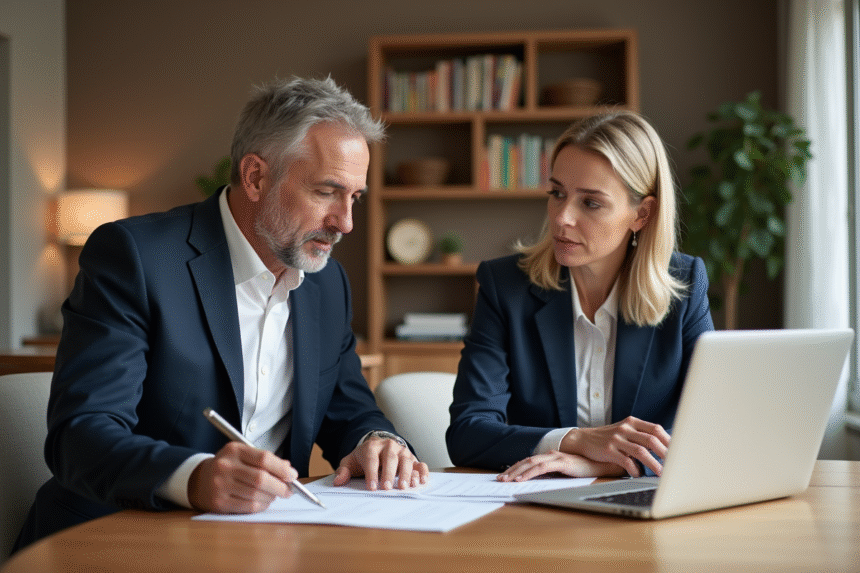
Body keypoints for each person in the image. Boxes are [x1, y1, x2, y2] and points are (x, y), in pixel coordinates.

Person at [14, 76, 428, 553]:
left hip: (258, 546)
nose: (345, 223)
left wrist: (375, 441)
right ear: (255, 177)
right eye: (326, 192)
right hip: (114, 540)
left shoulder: (326, 283)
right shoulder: (136, 258)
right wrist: (194, 479)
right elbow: (81, 436)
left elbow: (348, 410)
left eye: (353, 196)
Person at [446, 111, 714, 482]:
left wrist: (599, 466)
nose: (562, 218)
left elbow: (711, 432)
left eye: (590, 203)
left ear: (642, 213)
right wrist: (573, 441)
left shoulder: (684, 285)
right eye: (556, 194)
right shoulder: (505, 286)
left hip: (646, 512)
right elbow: (467, 433)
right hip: (537, 514)